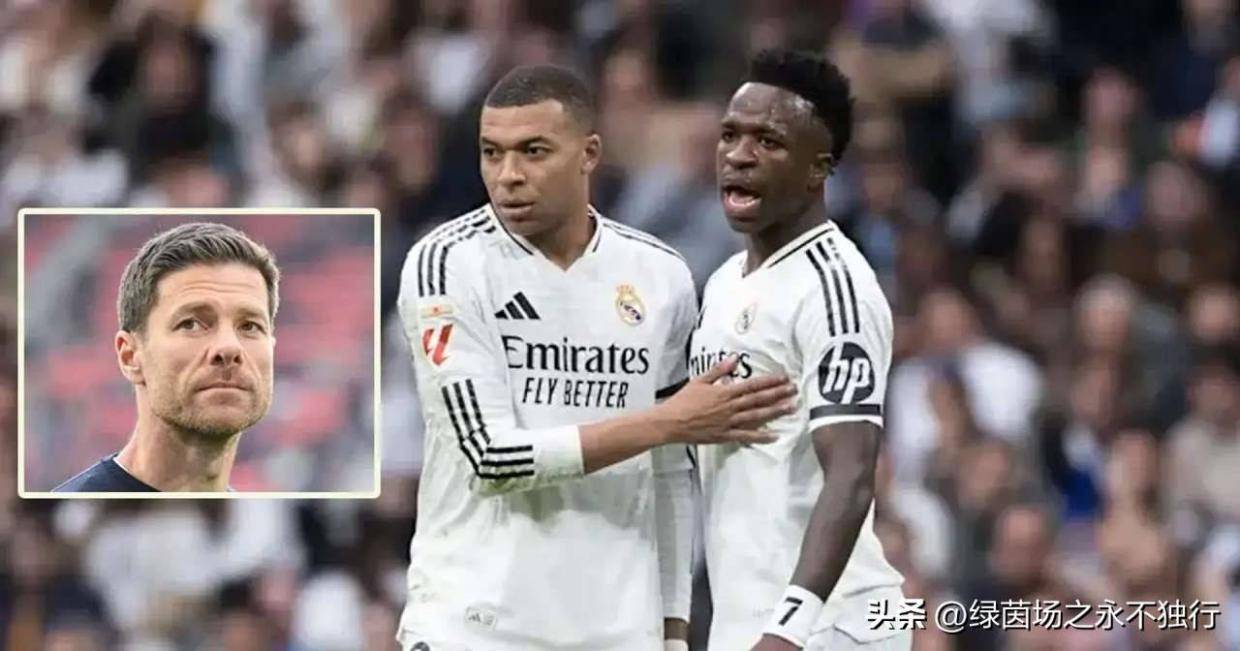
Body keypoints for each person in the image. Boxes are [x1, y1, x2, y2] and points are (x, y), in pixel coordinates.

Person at [396, 65, 796, 651]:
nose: (508, 175)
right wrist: (666, 422)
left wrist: (672, 629)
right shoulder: (448, 264)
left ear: (589, 154)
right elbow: (490, 456)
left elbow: (669, 474)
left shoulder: (659, 277)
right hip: (477, 626)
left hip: (618, 631)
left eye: (533, 151)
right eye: (491, 153)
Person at [691, 49, 910, 650]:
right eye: (730, 135)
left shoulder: (836, 289)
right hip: (745, 618)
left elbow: (853, 471)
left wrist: (789, 627)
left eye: (768, 141)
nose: (739, 155)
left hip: (828, 625)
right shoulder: (724, 283)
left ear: (818, 169)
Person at [54, 222, 278, 492]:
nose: (229, 347)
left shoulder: (259, 515)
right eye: (191, 324)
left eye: (250, 326)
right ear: (130, 356)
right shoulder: (71, 509)